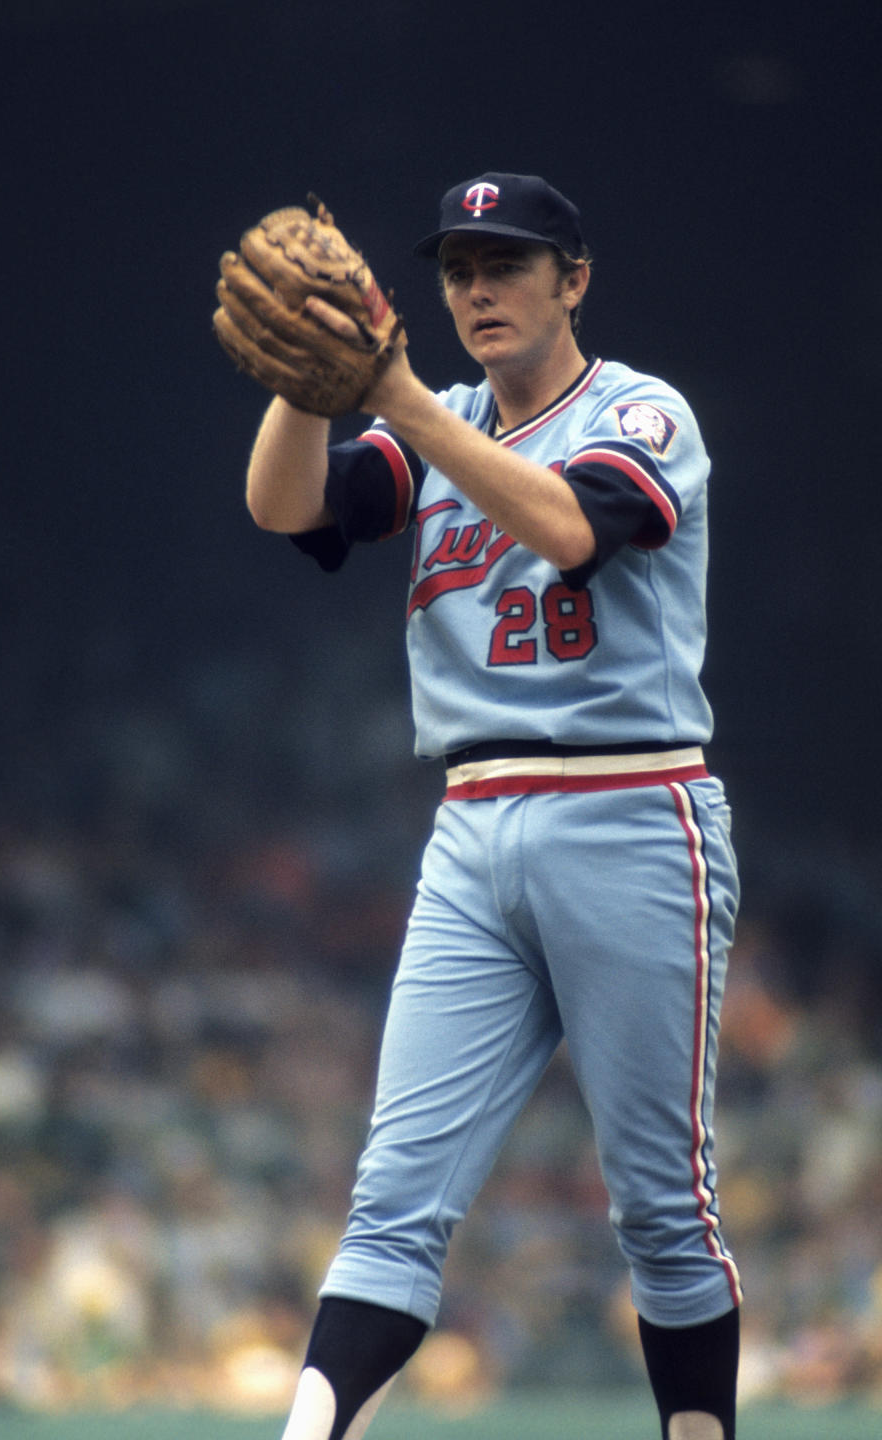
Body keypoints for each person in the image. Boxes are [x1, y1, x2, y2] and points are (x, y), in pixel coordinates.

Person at [243, 172, 742, 1440]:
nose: (478, 289)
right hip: (471, 827)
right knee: (392, 1199)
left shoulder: (641, 409)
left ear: (574, 280)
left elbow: (576, 527)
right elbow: (289, 508)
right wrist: (307, 386)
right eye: (460, 268)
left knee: (661, 1210)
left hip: (632, 810)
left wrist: (393, 394)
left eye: (509, 263)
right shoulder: (436, 420)